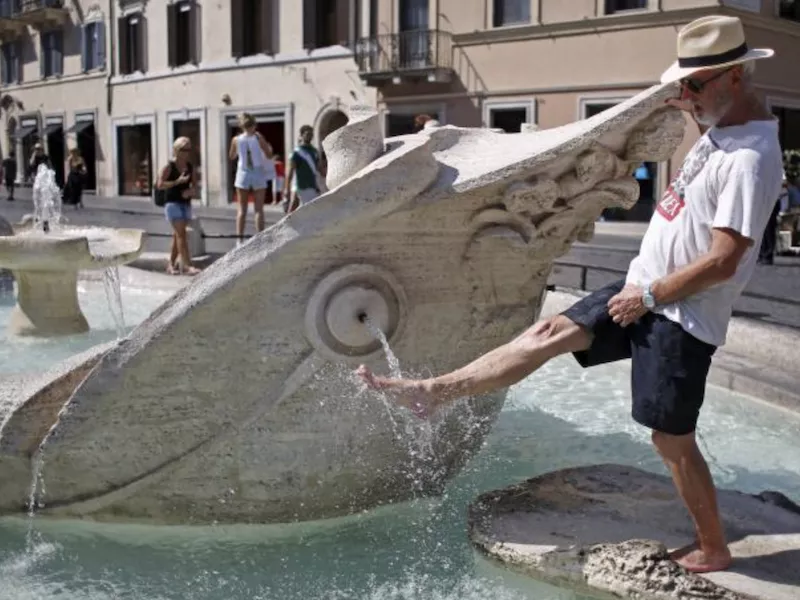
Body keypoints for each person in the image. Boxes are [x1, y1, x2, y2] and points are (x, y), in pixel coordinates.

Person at [357, 15, 783, 574]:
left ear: (734, 76)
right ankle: (434, 392)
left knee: (670, 437)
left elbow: (725, 260)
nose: (684, 97)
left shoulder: (751, 157)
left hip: (678, 312)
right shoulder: (722, 130)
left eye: (693, 85)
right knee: (547, 333)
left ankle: (713, 546)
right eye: (682, 86)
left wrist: (649, 296)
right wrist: (686, 108)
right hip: (643, 289)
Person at [157, 136, 200, 276]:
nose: (186, 152)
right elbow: (160, 184)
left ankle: (170, 264)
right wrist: (176, 182)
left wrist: (191, 191)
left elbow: (195, 185)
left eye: (188, 149)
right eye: (183, 149)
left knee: (177, 236)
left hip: (185, 204)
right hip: (172, 203)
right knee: (182, 234)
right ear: (176, 150)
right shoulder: (169, 167)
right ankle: (187, 266)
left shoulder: (189, 167)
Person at [229, 112, 273, 245]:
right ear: (253, 125)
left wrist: (239, 152)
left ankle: (239, 240)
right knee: (258, 209)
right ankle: (260, 238)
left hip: (243, 172)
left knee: (242, 209)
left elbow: (231, 156)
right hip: (257, 172)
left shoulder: (236, 140)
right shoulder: (258, 137)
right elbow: (269, 154)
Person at [283, 125, 324, 213]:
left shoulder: (314, 151)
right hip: (299, 184)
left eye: (311, 134)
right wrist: (286, 188)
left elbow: (320, 168)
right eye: (307, 134)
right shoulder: (296, 152)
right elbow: (290, 172)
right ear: (301, 135)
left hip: (312, 184)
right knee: (293, 207)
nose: (310, 136)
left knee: (312, 210)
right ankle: (287, 226)